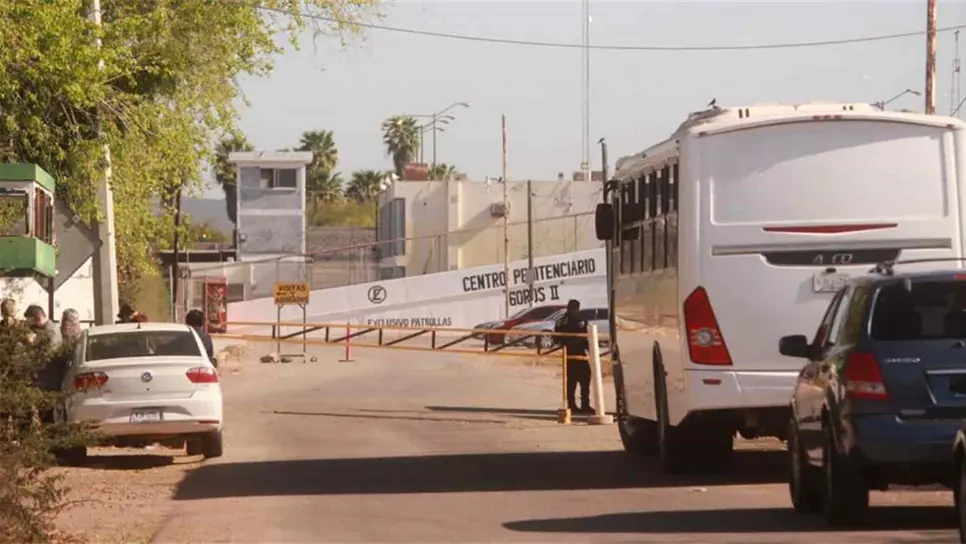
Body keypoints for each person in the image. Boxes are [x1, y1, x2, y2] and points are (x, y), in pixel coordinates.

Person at [554, 299, 592, 414]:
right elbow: (584, 336)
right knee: (585, 379)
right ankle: (585, 405)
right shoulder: (579, 320)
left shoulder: (560, 321)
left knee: (571, 381)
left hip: (567, 353)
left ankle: (571, 405)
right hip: (579, 352)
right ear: (577, 308)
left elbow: (556, 339)